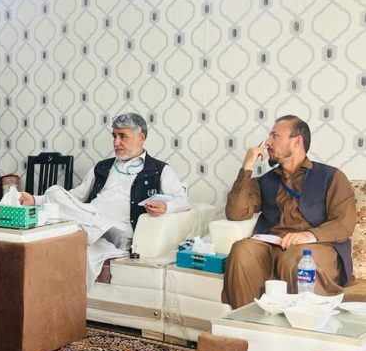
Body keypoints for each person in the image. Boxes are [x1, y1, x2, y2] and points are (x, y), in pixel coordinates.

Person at [19, 112, 190, 286]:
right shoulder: (102, 167)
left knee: (80, 246)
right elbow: (76, 196)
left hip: (121, 229)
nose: (116, 142)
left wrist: (166, 206)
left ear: (141, 138)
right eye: (114, 136)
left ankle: (104, 230)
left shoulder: (158, 169)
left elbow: (183, 200)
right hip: (91, 221)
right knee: (54, 191)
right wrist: (35, 200)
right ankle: (103, 229)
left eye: (122, 136)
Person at [222, 115, 356, 308]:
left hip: (317, 247)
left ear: (297, 141)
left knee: (298, 259)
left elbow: (344, 223)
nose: (268, 142)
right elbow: (235, 213)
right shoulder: (266, 180)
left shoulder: (331, 176)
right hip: (272, 246)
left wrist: (308, 235)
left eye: (275, 136)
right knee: (242, 250)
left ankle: (302, 324)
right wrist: (247, 166)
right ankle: (246, 322)